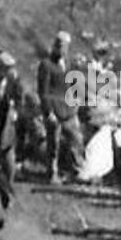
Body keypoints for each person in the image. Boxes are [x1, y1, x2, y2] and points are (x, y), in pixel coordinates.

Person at [37, 32, 84, 183]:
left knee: (76, 141)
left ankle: (77, 171)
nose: (61, 49)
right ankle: (52, 173)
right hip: (55, 110)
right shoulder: (46, 65)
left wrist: (77, 101)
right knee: (53, 145)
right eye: (59, 45)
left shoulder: (69, 64)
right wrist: (48, 112)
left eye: (64, 46)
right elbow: (43, 91)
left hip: (69, 111)